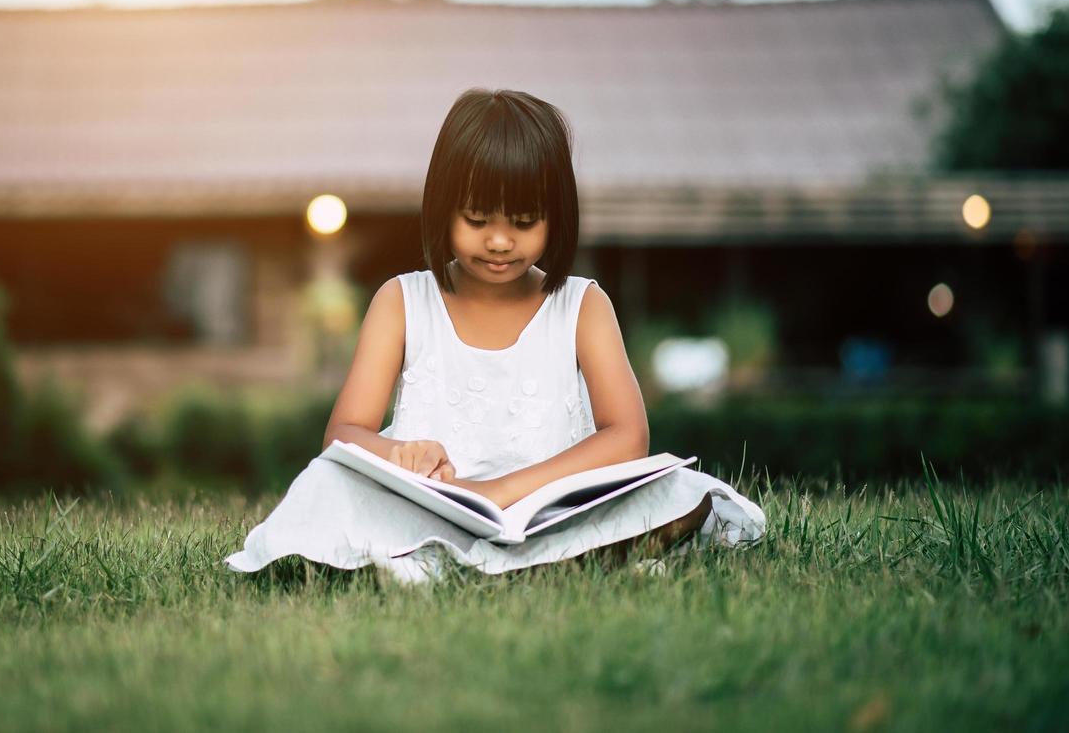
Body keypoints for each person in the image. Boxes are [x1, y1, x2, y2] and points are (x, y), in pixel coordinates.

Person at [225, 88, 766, 585]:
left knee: (677, 490)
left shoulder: (581, 306)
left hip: (552, 511)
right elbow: (343, 435)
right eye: (478, 218)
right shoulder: (402, 302)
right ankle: (540, 565)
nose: (501, 241)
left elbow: (628, 436)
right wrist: (399, 453)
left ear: (558, 217)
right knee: (325, 484)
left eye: (525, 221)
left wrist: (501, 493)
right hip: (430, 511)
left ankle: (464, 565)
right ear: (442, 209)